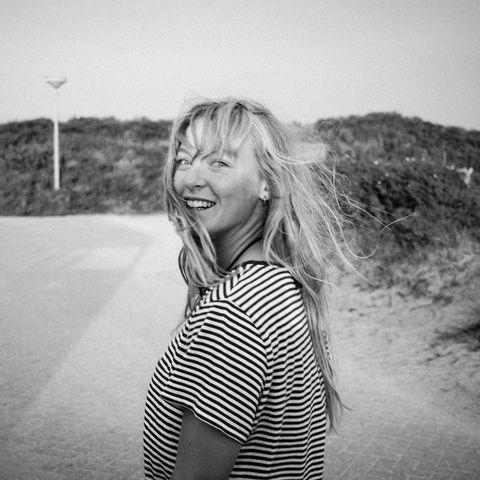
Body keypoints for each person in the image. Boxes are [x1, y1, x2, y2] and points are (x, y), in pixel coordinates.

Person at [143, 98, 348, 480]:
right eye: (184, 160)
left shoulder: (232, 316)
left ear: (268, 182)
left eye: (219, 162)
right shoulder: (280, 283)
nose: (190, 179)